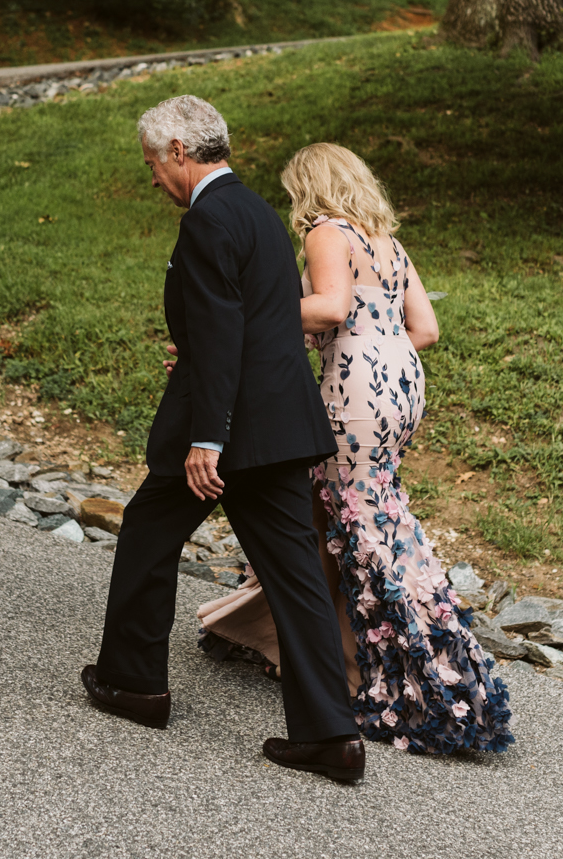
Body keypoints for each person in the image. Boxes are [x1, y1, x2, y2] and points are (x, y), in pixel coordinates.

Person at [81, 96, 366, 784]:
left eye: (153, 162)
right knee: (296, 575)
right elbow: (257, 323)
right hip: (280, 425)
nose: (153, 177)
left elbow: (217, 332)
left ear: (179, 150)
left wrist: (208, 436)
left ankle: (135, 683)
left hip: (227, 430)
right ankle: (332, 733)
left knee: (149, 526)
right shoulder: (261, 214)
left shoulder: (208, 220)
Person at [196, 142, 514, 755]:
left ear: (309, 188)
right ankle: (288, 642)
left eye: (294, 192)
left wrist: (241, 320)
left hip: (354, 387)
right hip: (399, 384)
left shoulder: (326, 231)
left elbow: (330, 307)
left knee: (358, 526)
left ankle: (416, 675)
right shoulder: (389, 244)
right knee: (326, 514)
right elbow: (426, 329)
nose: (292, 205)